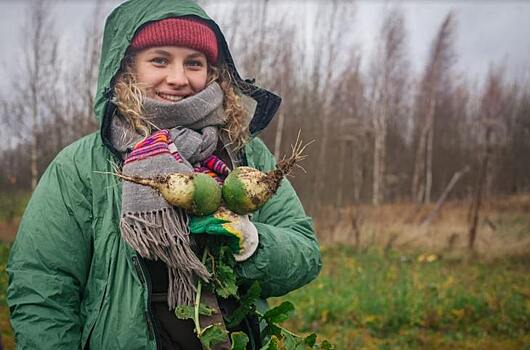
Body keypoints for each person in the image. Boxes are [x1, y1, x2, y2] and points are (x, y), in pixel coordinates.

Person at [7, 0, 322, 349]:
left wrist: (251, 244)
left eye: (194, 63)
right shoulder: (83, 165)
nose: (178, 78)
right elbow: (43, 286)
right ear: (127, 67)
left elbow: (305, 253)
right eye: (159, 60)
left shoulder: (243, 151)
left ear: (212, 72)